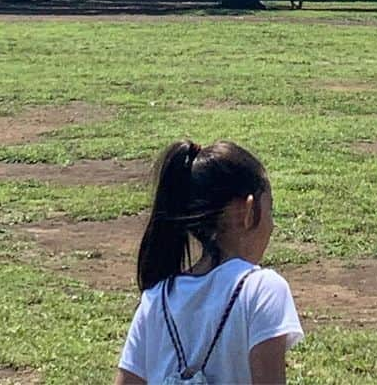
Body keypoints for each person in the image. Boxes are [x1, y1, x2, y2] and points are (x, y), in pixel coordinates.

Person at [115, 140, 303, 385]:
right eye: (270, 210)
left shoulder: (156, 299)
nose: (272, 224)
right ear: (247, 212)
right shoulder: (263, 289)